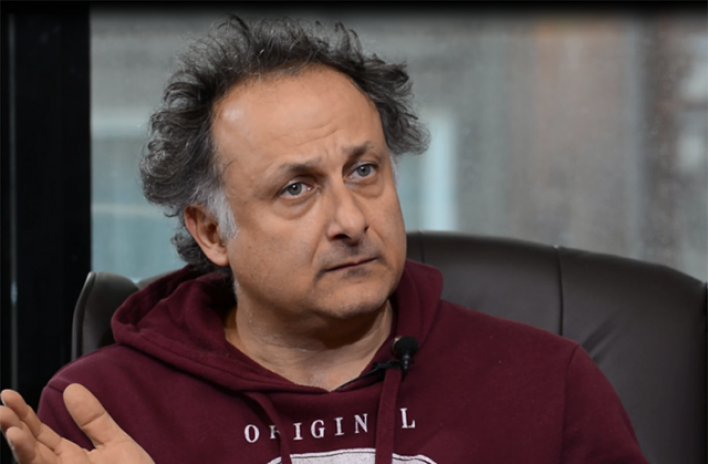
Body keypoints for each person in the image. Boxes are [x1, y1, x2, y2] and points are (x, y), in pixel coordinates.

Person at [1, 16, 649, 464]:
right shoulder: (103, 411)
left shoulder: (550, 384)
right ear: (211, 232)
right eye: (296, 188)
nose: (351, 220)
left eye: (363, 171)